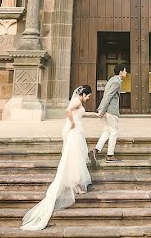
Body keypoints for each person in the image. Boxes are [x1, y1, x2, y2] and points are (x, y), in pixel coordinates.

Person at [20, 85, 94, 231]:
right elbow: (68, 111)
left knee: (75, 157)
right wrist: (72, 123)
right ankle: (76, 184)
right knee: (74, 156)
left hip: (77, 132)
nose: (88, 98)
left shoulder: (79, 103)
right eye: (88, 96)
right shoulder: (77, 101)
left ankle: (76, 183)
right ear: (83, 94)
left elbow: (80, 114)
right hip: (75, 131)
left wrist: (95, 115)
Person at [91, 64, 127, 163]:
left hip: (106, 109)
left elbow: (105, 95)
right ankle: (110, 155)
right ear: (120, 71)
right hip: (111, 110)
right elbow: (109, 96)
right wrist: (102, 110)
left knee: (107, 131)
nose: (126, 72)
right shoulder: (116, 82)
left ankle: (96, 151)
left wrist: (101, 109)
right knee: (114, 132)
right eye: (125, 70)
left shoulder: (111, 80)